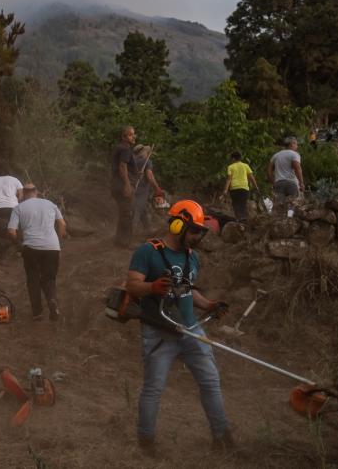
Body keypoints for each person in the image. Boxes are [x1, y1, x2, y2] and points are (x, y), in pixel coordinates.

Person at [124, 200, 232, 453]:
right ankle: (146, 441)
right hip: (160, 332)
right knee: (154, 388)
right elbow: (131, 285)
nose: (198, 237)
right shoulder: (147, 251)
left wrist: (208, 305)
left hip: (191, 330)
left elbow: (188, 291)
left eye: (200, 232)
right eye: (195, 231)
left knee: (211, 382)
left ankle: (222, 437)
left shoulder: (192, 257)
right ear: (177, 225)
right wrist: (151, 288)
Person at [7, 183, 68, 321]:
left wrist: (18, 243)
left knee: (33, 278)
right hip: (52, 247)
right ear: (36, 192)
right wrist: (58, 242)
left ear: (23, 193)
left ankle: (37, 312)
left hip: (31, 247)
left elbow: (11, 231)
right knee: (49, 278)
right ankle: (52, 301)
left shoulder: (18, 208)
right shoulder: (50, 204)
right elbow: (62, 225)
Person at [111, 125, 137, 247]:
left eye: (133, 134)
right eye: (130, 134)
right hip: (122, 185)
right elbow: (122, 167)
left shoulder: (119, 148)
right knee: (127, 213)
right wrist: (127, 185)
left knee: (124, 212)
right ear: (124, 137)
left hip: (116, 184)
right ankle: (125, 243)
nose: (133, 137)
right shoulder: (125, 149)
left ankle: (119, 240)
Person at [132, 144, 166, 236]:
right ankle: (129, 234)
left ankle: (148, 229)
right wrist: (157, 188)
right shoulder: (147, 162)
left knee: (142, 209)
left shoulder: (132, 161)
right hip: (141, 191)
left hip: (130, 189)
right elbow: (149, 176)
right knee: (138, 210)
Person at [267, 137, 304, 215]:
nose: (297, 146)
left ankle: (279, 222)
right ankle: (290, 218)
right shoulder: (294, 154)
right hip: (291, 183)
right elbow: (298, 169)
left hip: (279, 183)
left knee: (279, 205)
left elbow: (269, 171)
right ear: (292, 144)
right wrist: (301, 183)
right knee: (292, 203)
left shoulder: (276, 155)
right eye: (296, 144)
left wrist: (273, 182)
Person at [220, 152, 259, 224]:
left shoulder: (231, 167)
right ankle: (243, 220)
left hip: (234, 188)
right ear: (240, 158)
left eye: (231, 159)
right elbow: (251, 177)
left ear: (233, 158)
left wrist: (225, 190)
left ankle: (238, 220)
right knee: (243, 204)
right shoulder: (246, 166)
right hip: (244, 189)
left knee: (236, 204)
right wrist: (256, 187)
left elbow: (229, 179)